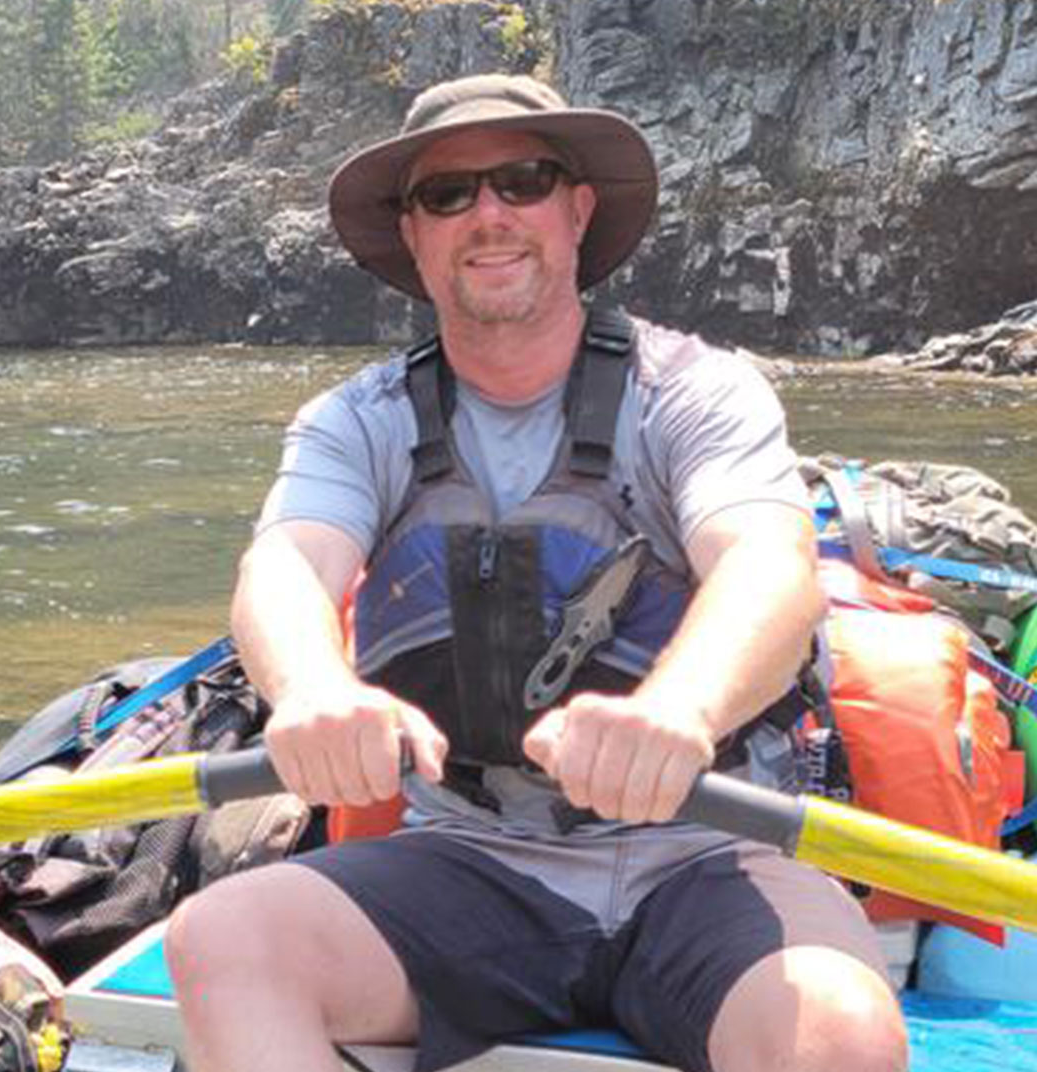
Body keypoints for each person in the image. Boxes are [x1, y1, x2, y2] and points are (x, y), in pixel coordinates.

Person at [163, 75, 908, 1072]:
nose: (490, 215)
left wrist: (677, 711)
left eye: (523, 179)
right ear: (414, 234)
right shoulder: (357, 421)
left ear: (576, 209)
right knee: (222, 941)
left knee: (841, 1036)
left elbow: (770, 568)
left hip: (708, 854)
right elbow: (287, 566)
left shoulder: (696, 392)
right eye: (448, 194)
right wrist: (310, 693)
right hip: (471, 864)